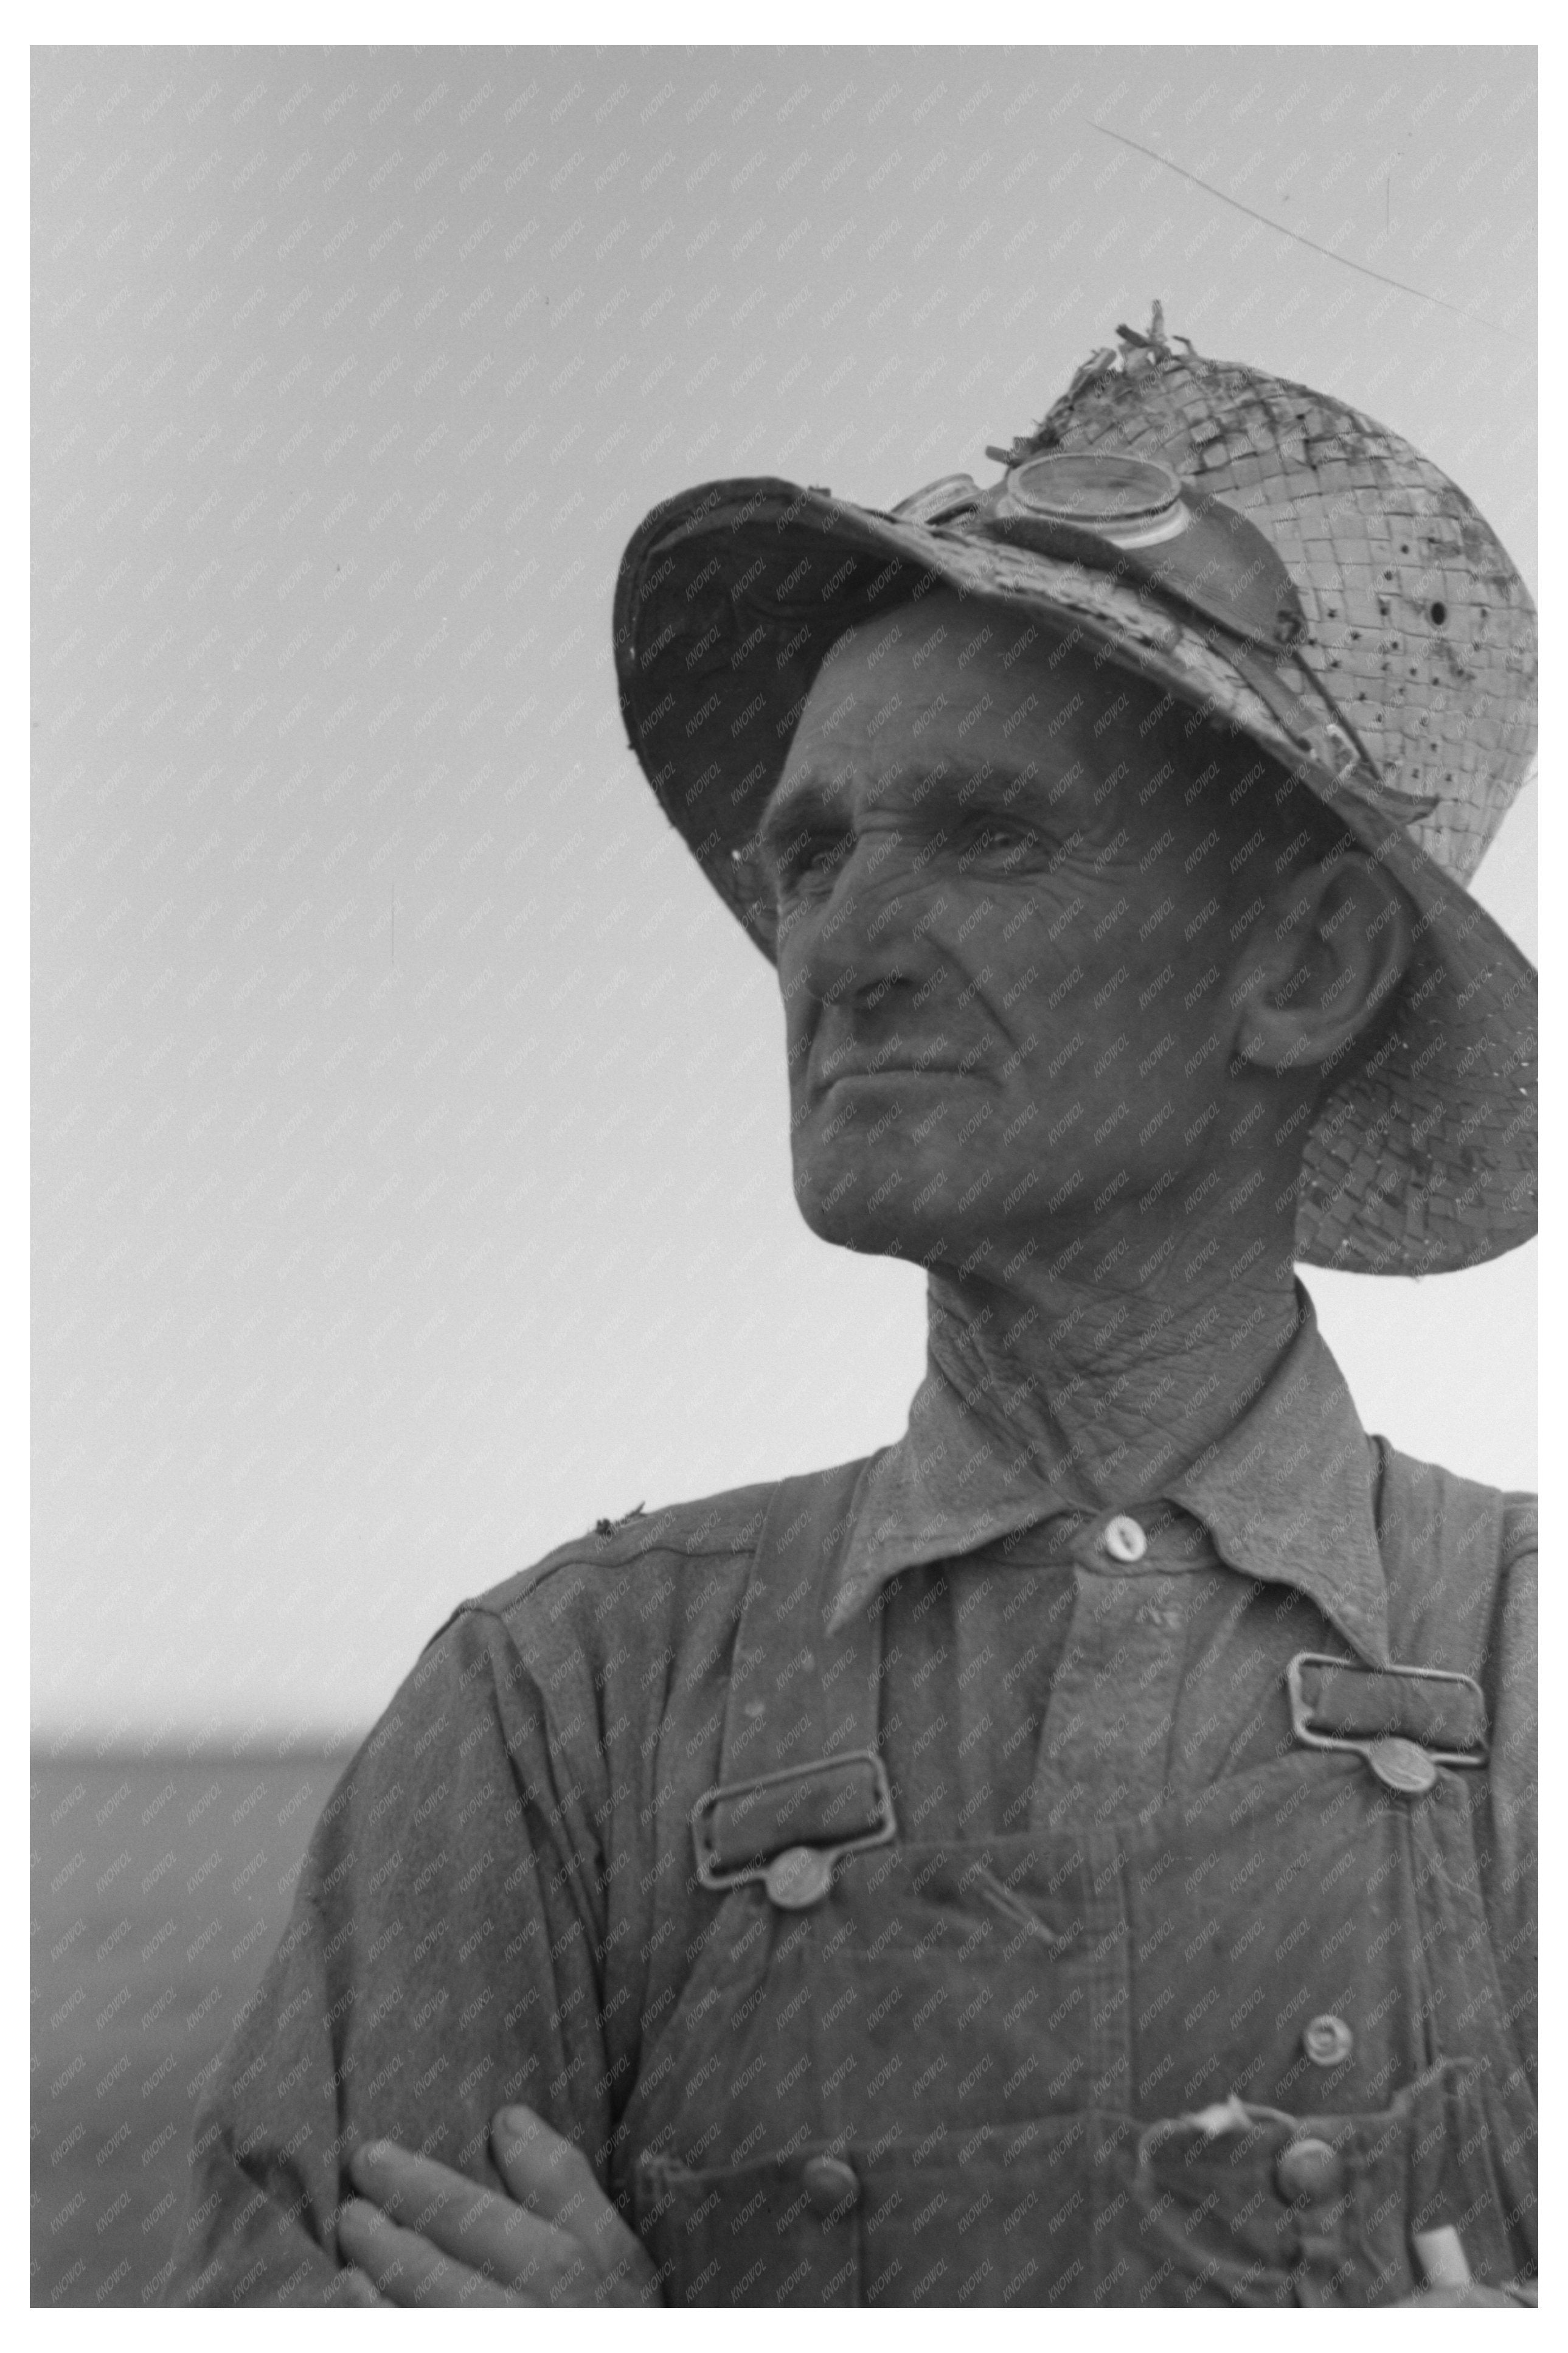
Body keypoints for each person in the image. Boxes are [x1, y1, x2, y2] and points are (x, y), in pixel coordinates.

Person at [168, 315, 1537, 2307]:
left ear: (1306, 967)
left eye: (986, 834)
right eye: (810, 853)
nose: (844, 946)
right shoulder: (557, 1711)